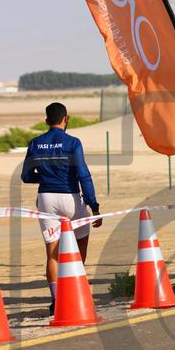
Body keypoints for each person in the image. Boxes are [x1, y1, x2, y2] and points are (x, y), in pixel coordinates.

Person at [21, 102, 102, 315]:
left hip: (46, 198)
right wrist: (94, 207)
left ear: (47, 120)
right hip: (70, 197)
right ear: (66, 119)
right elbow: (84, 175)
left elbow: (26, 176)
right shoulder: (73, 142)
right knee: (80, 243)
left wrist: (45, 178)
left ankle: (56, 300)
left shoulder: (35, 143)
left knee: (52, 253)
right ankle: (73, 289)